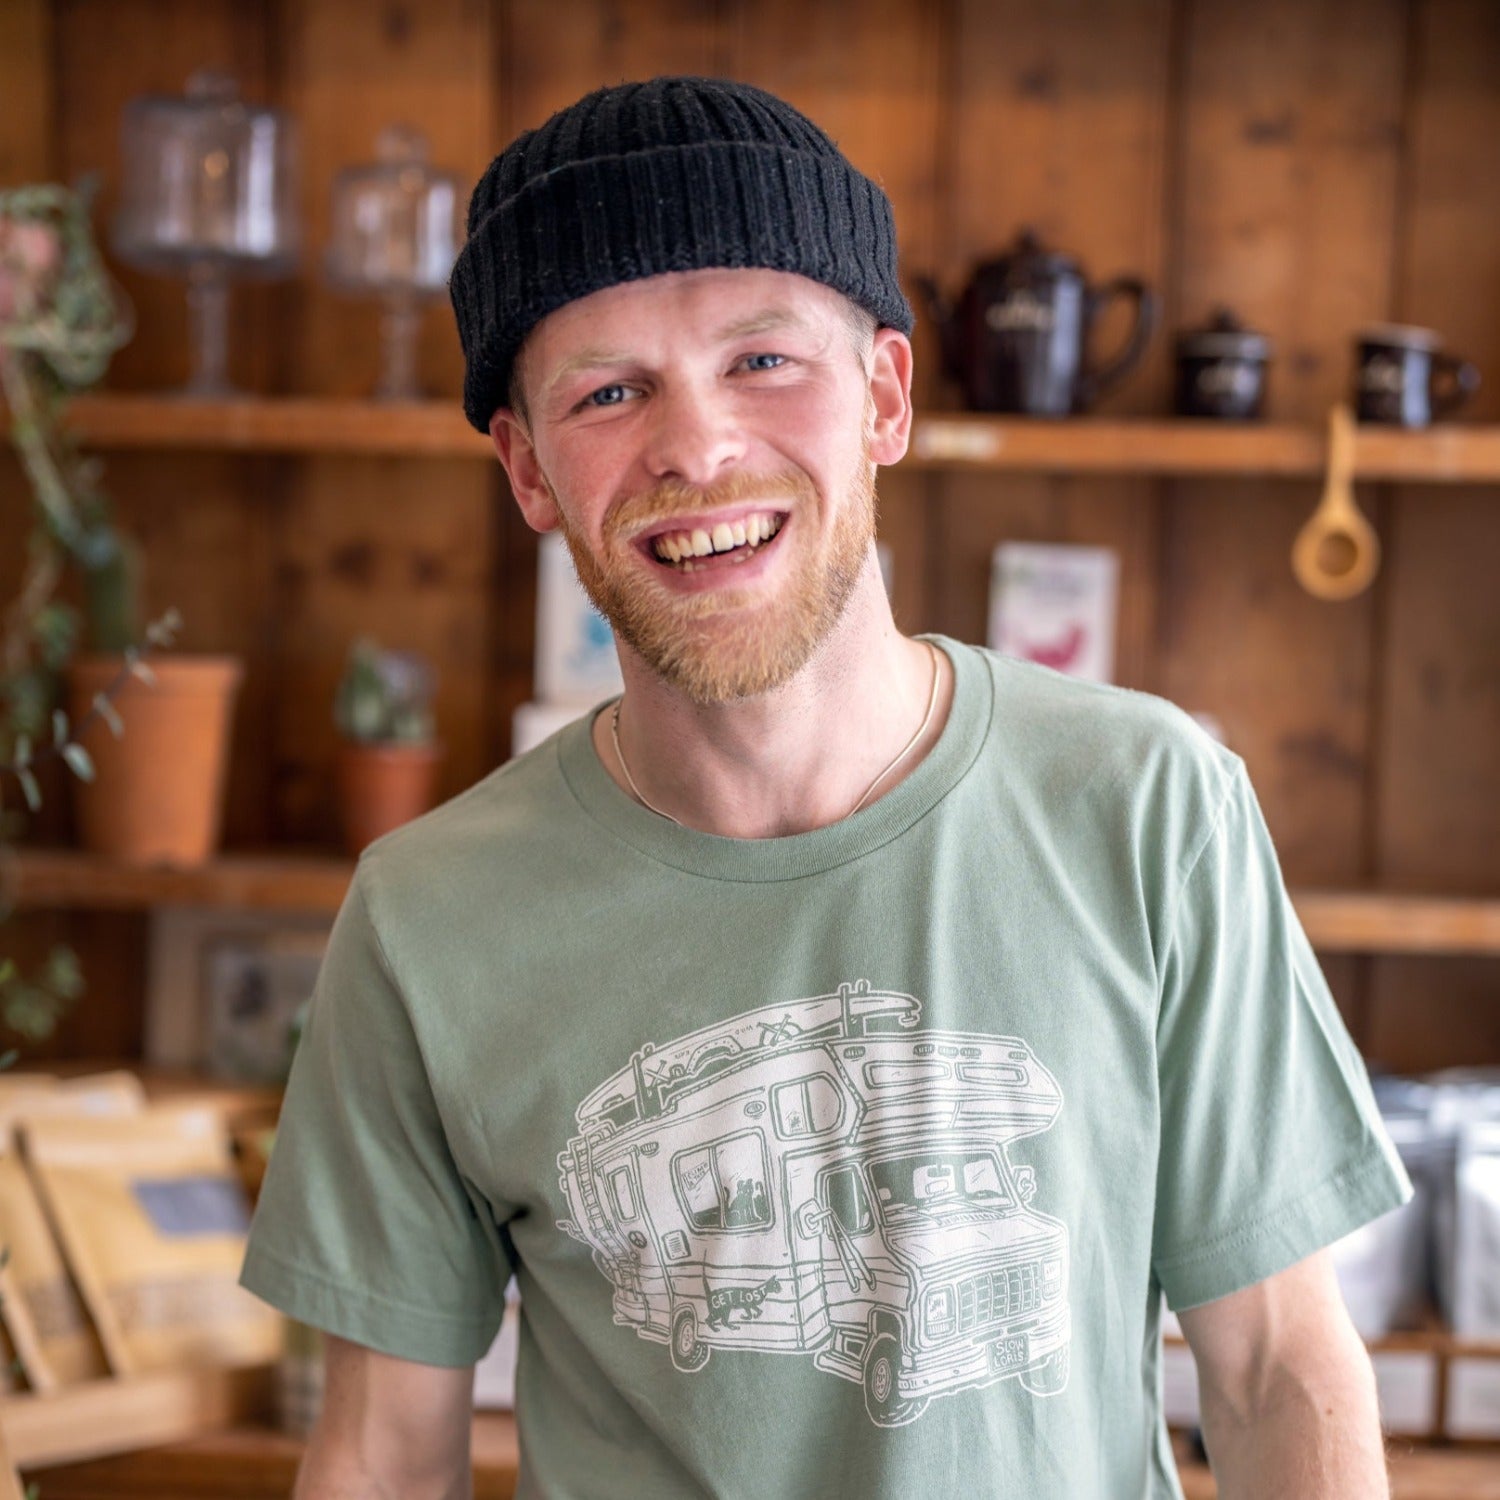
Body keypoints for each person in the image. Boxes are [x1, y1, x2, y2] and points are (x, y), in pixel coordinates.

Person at [242, 76, 1411, 1499]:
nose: (697, 448)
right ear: (529, 470)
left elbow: (1279, 1370)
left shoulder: (1151, 806)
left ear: (885, 397)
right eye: (609, 392)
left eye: (763, 362)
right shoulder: (426, 919)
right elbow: (378, 1459)